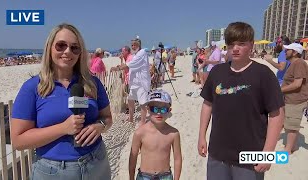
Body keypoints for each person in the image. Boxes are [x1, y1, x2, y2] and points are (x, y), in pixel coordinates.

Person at [10, 23, 112, 180]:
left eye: (74, 47)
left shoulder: (92, 83)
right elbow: (18, 141)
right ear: (50, 48)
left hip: (96, 163)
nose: (67, 52)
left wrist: (100, 126)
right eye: (61, 45)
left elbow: (107, 118)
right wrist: (63, 128)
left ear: (80, 53)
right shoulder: (32, 88)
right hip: (53, 171)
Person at [198, 22, 284, 180]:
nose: (235, 48)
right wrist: (201, 135)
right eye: (231, 44)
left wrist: (268, 152)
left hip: (250, 156)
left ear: (251, 44)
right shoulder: (217, 72)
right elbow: (207, 104)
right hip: (218, 152)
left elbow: (277, 114)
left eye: (241, 44)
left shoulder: (264, 74)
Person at [129, 89, 182, 180]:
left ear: (169, 110)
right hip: (144, 176)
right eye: (155, 109)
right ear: (148, 109)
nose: (159, 113)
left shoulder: (173, 133)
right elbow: (132, 158)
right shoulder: (140, 133)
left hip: (165, 176)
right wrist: (131, 178)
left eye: (163, 109)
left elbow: (177, 159)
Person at [111, 38, 151, 125]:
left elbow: (131, 64)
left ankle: (143, 121)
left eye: (135, 45)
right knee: (130, 100)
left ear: (139, 45)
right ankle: (131, 118)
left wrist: (117, 68)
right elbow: (129, 65)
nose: (133, 46)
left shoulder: (142, 53)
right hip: (134, 82)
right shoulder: (136, 54)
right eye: (132, 45)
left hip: (141, 83)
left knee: (142, 103)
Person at [281, 43, 308, 154]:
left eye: (288, 50)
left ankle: (288, 150)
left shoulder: (299, 63)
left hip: (296, 100)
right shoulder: (293, 63)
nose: (285, 51)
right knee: (289, 124)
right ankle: (294, 146)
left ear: (295, 52)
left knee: (291, 126)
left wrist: (279, 90)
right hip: (291, 99)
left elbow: (297, 84)